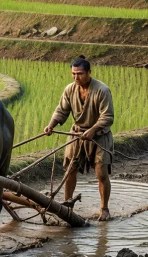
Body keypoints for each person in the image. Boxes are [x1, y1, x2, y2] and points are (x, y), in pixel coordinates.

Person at [43, 55, 115, 221]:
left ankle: (104, 209)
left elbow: (108, 117)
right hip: (76, 134)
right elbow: (61, 110)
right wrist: (51, 125)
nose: (76, 77)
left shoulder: (102, 90)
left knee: (101, 173)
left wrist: (93, 130)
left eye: (80, 74)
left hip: (99, 136)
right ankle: (68, 205)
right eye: (74, 74)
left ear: (89, 72)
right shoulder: (70, 89)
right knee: (70, 170)